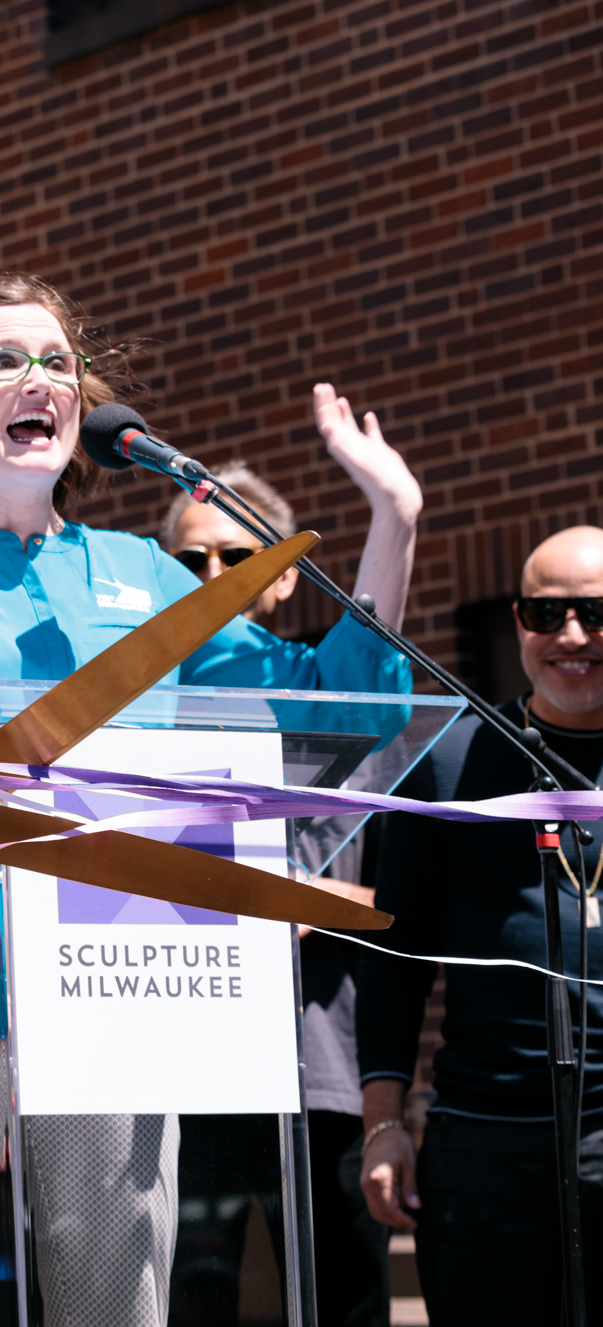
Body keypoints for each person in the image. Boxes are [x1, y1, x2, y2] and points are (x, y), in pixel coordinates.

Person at [0, 69, 421, 1325]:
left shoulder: (140, 575)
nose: (37, 379)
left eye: (55, 361)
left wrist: (393, 524)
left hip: (115, 960)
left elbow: (337, 704)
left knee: (117, 1292)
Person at [158, 465, 391, 1324]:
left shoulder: (347, 709)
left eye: (237, 555)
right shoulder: (140, 722)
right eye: (187, 562)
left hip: (320, 1065)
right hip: (186, 1062)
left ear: (287, 575)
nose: (211, 578)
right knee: (197, 1297)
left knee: (344, 1297)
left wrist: (303, 898)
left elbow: (409, 900)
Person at [357, 524, 603, 1320]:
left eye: (596, 614)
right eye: (546, 612)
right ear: (518, 621)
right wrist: (384, 1124)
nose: (572, 636)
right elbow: (393, 961)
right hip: (483, 1143)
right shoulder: (453, 761)